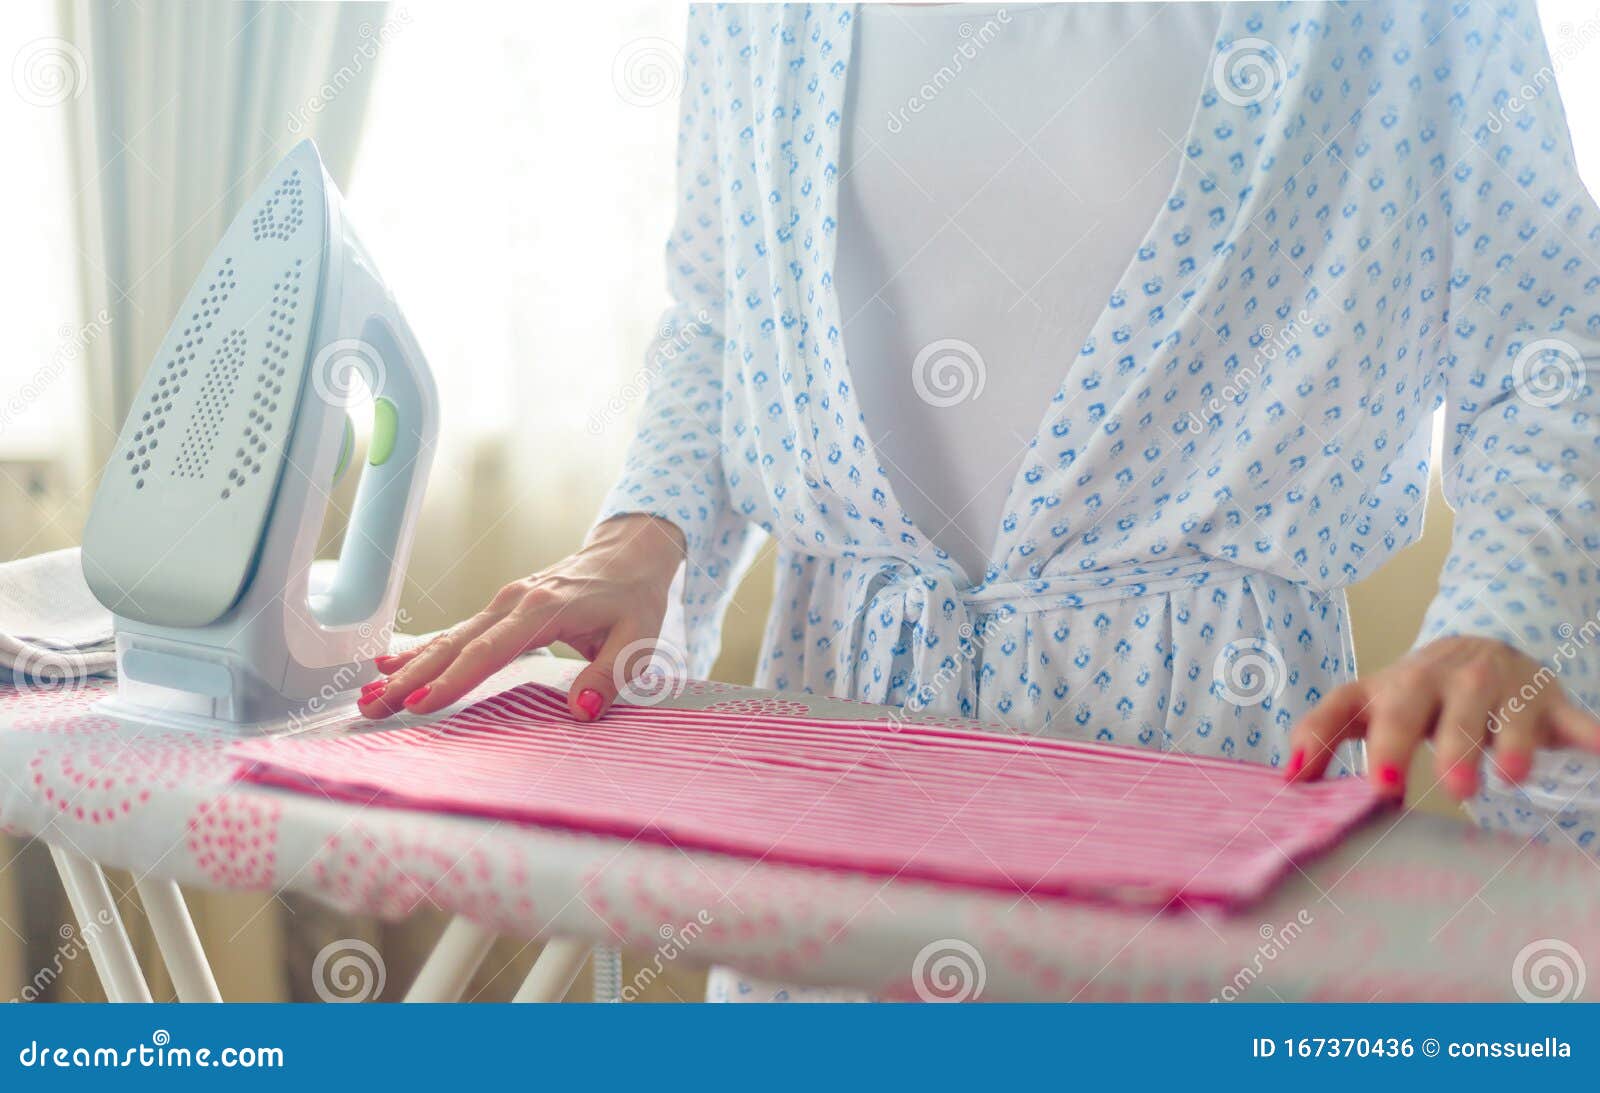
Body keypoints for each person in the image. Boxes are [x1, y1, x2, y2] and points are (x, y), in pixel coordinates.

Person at [359, 1, 1600, 996]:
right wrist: (644, 532)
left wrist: (1499, 617)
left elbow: (1545, 335)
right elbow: (723, 310)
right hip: (841, 728)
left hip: (1199, 744)